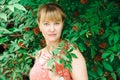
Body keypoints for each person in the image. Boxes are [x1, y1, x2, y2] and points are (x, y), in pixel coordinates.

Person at [29, 3, 88, 80]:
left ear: (62, 24)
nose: (52, 29)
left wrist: (56, 77)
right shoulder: (39, 54)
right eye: (46, 24)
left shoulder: (70, 52)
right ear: (39, 25)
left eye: (56, 23)